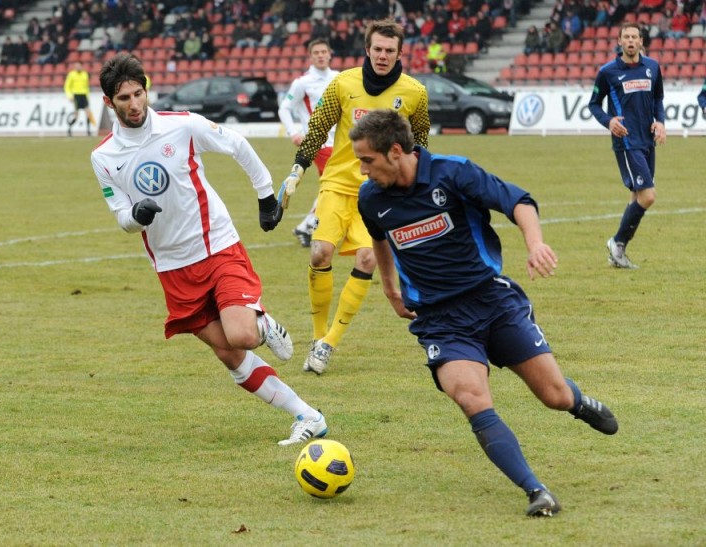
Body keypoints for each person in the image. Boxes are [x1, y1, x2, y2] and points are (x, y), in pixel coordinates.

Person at [352, 108, 619, 518]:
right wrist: (389, 288)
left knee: (554, 395)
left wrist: (535, 245)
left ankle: (578, 402)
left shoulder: (452, 173)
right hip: (440, 319)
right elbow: (379, 237)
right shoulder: (371, 197)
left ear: (394, 151)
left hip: (492, 303)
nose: (362, 170)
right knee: (471, 397)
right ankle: (536, 490)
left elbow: (519, 202)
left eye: (366, 160)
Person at [90, 53, 328, 446]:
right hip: (172, 267)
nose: (134, 105)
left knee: (243, 336)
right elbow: (120, 216)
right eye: (124, 99)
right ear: (108, 103)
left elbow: (236, 145)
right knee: (229, 355)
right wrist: (136, 215)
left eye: (138, 93)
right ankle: (308, 415)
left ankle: (263, 324)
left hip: (216, 246)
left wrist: (266, 196)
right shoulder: (103, 157)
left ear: (146, 89)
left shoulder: (181, 127)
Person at [277, 19, 430, 375]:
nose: (382, 55)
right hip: (338, 183)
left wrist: (416, 188)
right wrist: (297, 170)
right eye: (377, 48)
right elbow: (317, 128)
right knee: (320, 252)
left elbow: (420, 143)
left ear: (399, 53)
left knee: (366, 259)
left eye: (389, 50)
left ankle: (329, 343)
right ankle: (316, 336)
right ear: (367, 49)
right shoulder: (342, 83)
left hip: (379, 191)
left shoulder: (414, 93)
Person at [588, 22, 666, 269]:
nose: (631, 41)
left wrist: (660, 123)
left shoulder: (652, 67)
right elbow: (594, 104)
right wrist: (608, 121)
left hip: (647, 140)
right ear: (619, 41)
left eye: (635, 37)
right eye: (626, 37)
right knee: (648, 195)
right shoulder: (608, 72)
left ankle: (618, 253)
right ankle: (617, 241)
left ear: (642, 41)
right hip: (626, 141)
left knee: (636, 195)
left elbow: (658, 99)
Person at [278, 38, 339, 248]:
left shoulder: (339, 78)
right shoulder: (302, 82)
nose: (321, 55)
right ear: (311, 56)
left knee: (332, 188)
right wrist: (294, 132)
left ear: (330, 53)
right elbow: (284, 108)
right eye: (316, 53)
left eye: (324, 51)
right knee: (336, 186)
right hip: (319, 143)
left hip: (340, 142)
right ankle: (309, 226)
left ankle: (307, 226)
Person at [64, 62, 96, 137]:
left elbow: (87, 86)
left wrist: (87, 96)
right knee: (76, 116)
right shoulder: (71, 75)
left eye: (79, 66)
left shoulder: (85, 74)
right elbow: (67, 86)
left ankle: (88, 131)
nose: (78, 67)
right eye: (76, 66)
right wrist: (69, 96)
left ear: (81, 66)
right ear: (74, 67)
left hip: (84, 96)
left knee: (88, 113)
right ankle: (69, 129)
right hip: (76, 96)